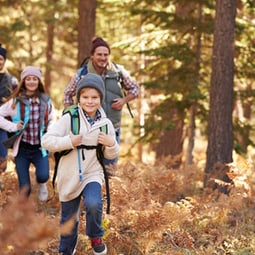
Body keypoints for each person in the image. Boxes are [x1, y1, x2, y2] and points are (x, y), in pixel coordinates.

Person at [42, 73, 119, 255]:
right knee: (69, 219)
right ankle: (66, 250)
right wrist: (69, 141)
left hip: (93, 172)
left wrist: (111, 143)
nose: (90, 101)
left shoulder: (105, 123)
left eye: (94, 97)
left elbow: (110, 153)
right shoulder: (70, 118)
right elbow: (46, 140)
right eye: (85, 97)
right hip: (69, 175)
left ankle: (95, 236)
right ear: (79, 98)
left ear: (101, 98)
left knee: (93, 203)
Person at [63, 36, 139, 167]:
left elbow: (135, 88)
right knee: (88, 165)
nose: (103, 58)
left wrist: (124, 100)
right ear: (92, 55)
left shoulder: (118, 71)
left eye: (106, 54)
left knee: (110, 164)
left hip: (112, 126)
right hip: (86, 128)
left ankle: (108, 187)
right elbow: (67, 95)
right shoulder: (82, 73)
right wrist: (71, 114)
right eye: (99, 54)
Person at [0, 66, 53, 201]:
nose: (31, 82)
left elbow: (52, 119)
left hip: (39, 148)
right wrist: (12, 126)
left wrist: (50, 132)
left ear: (38, 81)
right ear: (23, 81)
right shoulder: (16, 101)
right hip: (22, 149)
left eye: (34, 79)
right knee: (25, 189)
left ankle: (42, 184)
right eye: (28, 79)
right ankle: (23, 215)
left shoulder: (46, 100)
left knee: (43, 176)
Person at [0, 44, 18, 174]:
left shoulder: (11, 80)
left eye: (1, 58)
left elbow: (18, 100)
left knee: (2, 159)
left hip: (2, 125)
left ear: (4, 61)